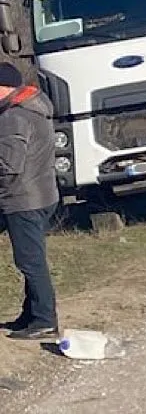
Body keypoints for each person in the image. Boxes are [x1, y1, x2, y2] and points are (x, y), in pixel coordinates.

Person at [0, 61, 60, 340]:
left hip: (22, 199)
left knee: (30, 261)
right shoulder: (35, 110)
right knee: (31, 258)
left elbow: (7, 165)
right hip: (42, 194)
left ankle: (45, 320)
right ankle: (31, 314)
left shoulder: (13, 118)